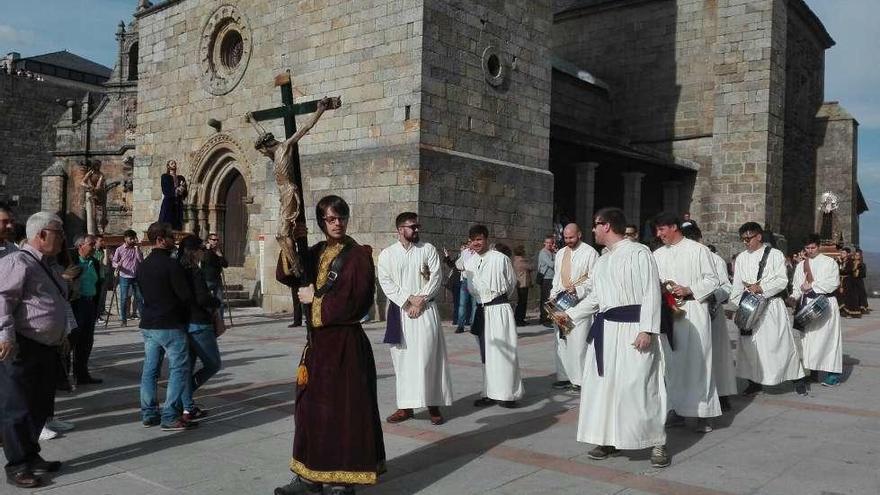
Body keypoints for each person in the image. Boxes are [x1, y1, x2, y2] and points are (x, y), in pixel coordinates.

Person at [274, 195, 385, 495]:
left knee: (343, 412)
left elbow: (357, 301)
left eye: (342, 217)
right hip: (318, 347)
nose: (337, 223)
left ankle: (343, 481)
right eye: (331, 219)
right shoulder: (317, 250)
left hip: (345, 346)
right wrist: (292, 243)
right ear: (322, 222)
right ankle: (310, 477)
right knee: (312, 410)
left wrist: (315, 301)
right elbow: (288, 273)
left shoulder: (358, 256)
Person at [559, 207, 669, 468]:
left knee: (639, 385)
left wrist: (648, 329)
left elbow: (651, 292)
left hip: (634, 329)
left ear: (606, 225)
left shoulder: (639, 252)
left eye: (596, 225)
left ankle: (656, 442)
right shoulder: (603, 259)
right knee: (604, 387)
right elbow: (597, 298)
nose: (593, 230)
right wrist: (570, 315)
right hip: (606, 331)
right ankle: (606, 438)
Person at [0, 212, 68, 488]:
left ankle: (30, 455)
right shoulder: (17, 261)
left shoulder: (48, 266)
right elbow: (2, 298)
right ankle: (17, 465)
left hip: (46, 347)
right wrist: (4, 335)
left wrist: (63, 334)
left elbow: (59, 302)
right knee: (17, 407)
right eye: (59, 233)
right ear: (41, 235)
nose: (63, 239)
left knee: (40, 405)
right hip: (23, 345)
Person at [378, 212, 452, 426]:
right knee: (403, 361)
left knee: (430, 356)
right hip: (401, 313)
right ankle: (405, 406)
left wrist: (421, 300)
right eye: (413, 226)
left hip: (426, 310)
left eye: (418, 226)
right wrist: (408, 300)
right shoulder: (387, 254)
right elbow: (386, 281)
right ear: (400, 229)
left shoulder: (427, 249)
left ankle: (433, 404)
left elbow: (436, 276)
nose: (417, 230)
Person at [250, 97, 332, 280]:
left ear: (267, 145)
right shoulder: (273, 155)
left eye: (262, 150)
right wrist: (253, 120)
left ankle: (296, 265)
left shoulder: (284, 148)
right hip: (283, 194)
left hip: (289, 191)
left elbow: (304, 128)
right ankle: (294, 263)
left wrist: (320, 110)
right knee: (282, 234)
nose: (262, 153)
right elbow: (262, 132)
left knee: (281, 234)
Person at [653, 213, 721, 433]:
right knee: (671, 363)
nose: (658, 234)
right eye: (657, 230)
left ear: (674, 227)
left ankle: (704, 413)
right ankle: (676, 409)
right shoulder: (657, 254)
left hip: (693, 310)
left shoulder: (698, 250)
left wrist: (689, 289)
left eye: (662, 229)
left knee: (699, 361)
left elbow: (712, 280)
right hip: (667, 314)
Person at [732, 222, 805, 395]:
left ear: (759, 236)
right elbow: (736, 284)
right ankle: (754, 381)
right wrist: (737, 304)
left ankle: (797, 378)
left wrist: (762, 288)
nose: (746, 242)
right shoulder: (742, 257)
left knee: (778, 345)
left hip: (771, 307)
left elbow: (782, 280)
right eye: (743, 239)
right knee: (750, 346)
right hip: (749, 307)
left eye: (748, 238)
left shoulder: (774, 254)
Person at [137, 222, 196, 431]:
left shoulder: (142, 265)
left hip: (149, 322)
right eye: (171, 236)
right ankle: (170, 415)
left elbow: (142, 293)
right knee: (179, 368)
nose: (175, 240)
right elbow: (185, 295)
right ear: (161, 240)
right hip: (170, 323)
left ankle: (149, 412)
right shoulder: (172, 265)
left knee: (150, 370)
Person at [462, 225, 524, 408]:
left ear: (486, 239)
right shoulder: (471, 263)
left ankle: (508, 394)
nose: (476, 243)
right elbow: (472, 288)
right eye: (473, 240)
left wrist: (497, 299)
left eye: (479, 239)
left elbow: (511, 282)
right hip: (482, 309)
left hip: (499, 308)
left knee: (504, 351)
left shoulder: (500, 258)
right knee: (486, 354)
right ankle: (489, 392)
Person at [682, 225, 737, 410]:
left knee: (715, 356)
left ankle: (721, 393)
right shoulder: (675, 255)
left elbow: (725, 287)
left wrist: (711, 296)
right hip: (683, 314)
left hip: (711, 313)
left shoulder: (714, 259)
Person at [176, 235, 222, 421]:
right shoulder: (193, 271)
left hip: (185, 322)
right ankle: (183, 396)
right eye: (201, 249)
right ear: (194, 251)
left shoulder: (179, 268)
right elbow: (202, 298)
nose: (204, 252)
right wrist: (216, 301)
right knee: (213, 363)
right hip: (199, 323)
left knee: (188, 366)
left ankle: (187, 406)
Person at [549, 223, 598, 391]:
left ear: (579, 235)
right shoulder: (561, 253)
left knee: (578, 342)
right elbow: (557, 277)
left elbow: (594, 279)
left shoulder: (590, 252)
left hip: (579, 303)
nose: (568, 241)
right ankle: (563, 376)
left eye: (571, 237)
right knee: (561, 341)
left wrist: (578, 289)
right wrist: (553, 296)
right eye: (566, 238)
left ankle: (579, 380)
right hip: (561, 302)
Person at [791, 234, 843, 387]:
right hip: (807, 305)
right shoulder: (801, 265)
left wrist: (812, 286)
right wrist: (794, 297)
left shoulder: (830, 262)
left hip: (825, 303)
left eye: (813, 247)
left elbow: (833, 283)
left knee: (828, 340)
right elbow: (796, 285)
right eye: (807, 248)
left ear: (818, 246)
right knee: (809, 341)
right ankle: (813, 372)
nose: (810, 250)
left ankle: (832, 376)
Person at [68, 234, 104, 386]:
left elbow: (98, 284)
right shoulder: (71, 260)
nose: (94, 246)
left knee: (86, 341)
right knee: (70, 341)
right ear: (80, 246)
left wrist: (97, 307)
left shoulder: (94, 262)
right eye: (91, 243)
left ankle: (82, 374)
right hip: (75, 304)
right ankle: (62, 376)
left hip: (89, 304)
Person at [112, 230, 144, 326]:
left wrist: (137, 249)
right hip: (124, 276)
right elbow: (114, 261)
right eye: (131, 238)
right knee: (124, 298)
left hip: (136, 276)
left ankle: (143, 319)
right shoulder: (120, 249)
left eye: (134, 238)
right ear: (126, 238)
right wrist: (118, 265)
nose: (133, 240)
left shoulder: (136, 249)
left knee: (139, 297)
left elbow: (140, 260)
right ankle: (124, 319)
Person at [202, 233, 229, 313]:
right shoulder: (204, 250)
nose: (216, 242)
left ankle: (220, 322)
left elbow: (225, 265)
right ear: (209, 241)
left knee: (219, 301)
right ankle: (208, 319)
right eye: (214, 240)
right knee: (206, 301)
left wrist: (220, 255)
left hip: (217, 279)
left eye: (217, 240)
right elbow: (207, 261)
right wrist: (208, 250)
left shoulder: (218, 250)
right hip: (207, 279)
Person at [454, 240, 475, 333]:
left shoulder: (477, 252)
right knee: (462, 304)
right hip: (465, 280)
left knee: (475, 304)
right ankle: (460, 325)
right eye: (468, 242)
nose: (469, 244)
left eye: (470, 242)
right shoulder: (465, 252)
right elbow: (458, 263)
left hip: (475, 281)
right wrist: (464, 267)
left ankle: (473, 325)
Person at [158, 160, 186, 230]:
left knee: (177, 221)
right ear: (168, 166)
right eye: (172, 163)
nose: (174, 165)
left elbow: (184, 192)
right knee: (166, 221)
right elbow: (166, 190)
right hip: (168, 202)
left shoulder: (180, 178)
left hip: (178, 203)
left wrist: (182, 188)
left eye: (175, 163)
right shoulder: (165, 177)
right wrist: (176, 190)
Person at [842, 249, 868, 317]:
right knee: (852, 296)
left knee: (860, 295)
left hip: (858, 282)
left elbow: (863, 274)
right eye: (855, 255)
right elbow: (849, 271)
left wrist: (857, 270)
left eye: (857, 255)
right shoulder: (851, 263)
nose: (856, 256)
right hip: (851, 281)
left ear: (860, 256)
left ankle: (861, 308)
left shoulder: (862, 264)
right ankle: (848, 310)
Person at [511, 245, 533, 326]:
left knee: (521, 302)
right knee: (522, 302)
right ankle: (519, 319)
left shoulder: (515, 260)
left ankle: (519, 318)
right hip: (523, 283)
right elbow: (530, 267)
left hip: (520, 283)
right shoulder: (521, 260)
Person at [536, 235, 556, 326]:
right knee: (545, 299)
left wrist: (555, 252)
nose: (549, 244)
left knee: (550, 299)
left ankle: (549, 317)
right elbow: (552, 264)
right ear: (544, 243)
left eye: (550, 243)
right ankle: (544, 319)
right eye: (547, 243)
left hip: (552, 278)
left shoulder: (552, 252)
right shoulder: (543, 252)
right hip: (546, 278)